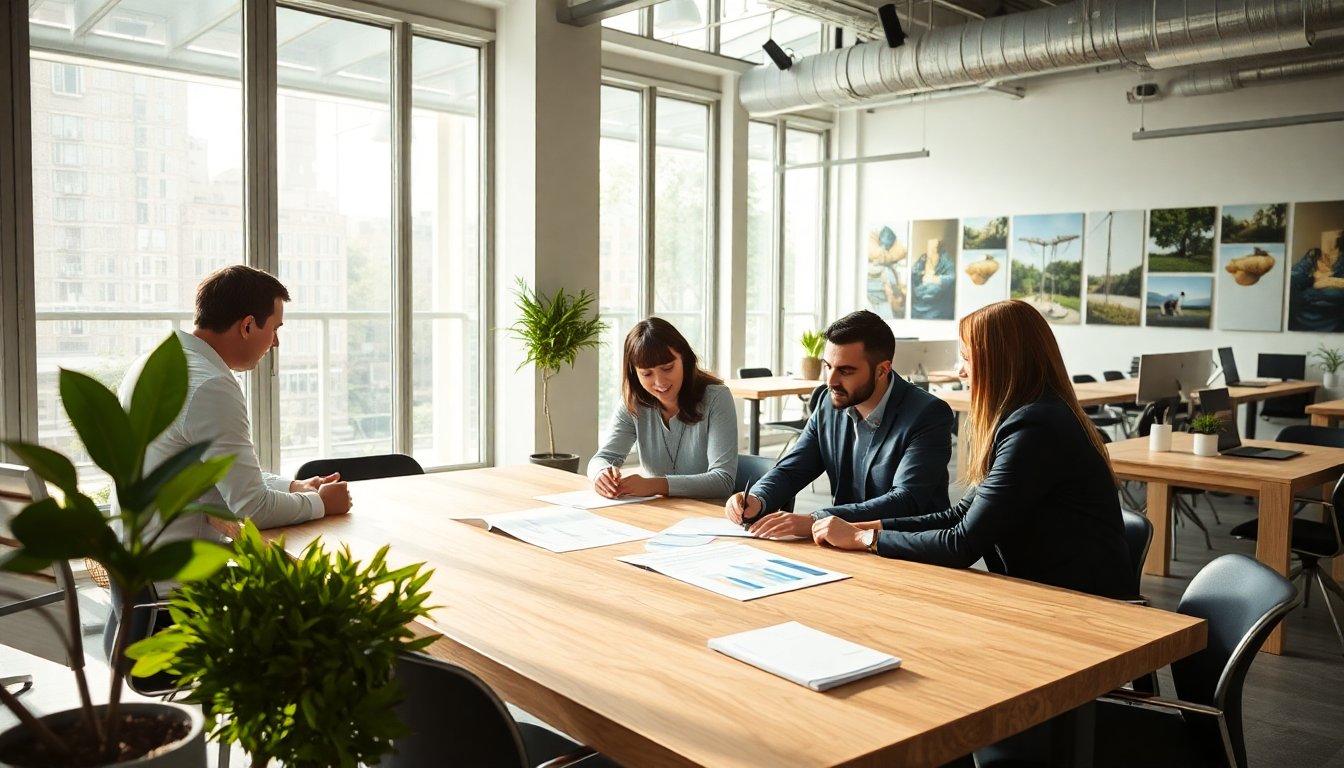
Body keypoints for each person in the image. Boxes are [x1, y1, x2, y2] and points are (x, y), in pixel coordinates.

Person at [811, 299, 1131, 599]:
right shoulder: (1028, 417)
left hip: (1082, 606)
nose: (959, 369)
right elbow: (957, 515)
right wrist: (863, 528)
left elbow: (961, 543)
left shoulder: (1035, 429)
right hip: (1046, 593)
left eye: (965, 357)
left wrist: (862, 539)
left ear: (1000, 360)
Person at [118, 265, 352, 544]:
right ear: (248, 326)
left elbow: (225, 476)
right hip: (179, 581)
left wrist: (292, 487)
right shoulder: (210, 387)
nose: (275, 343)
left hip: (137, 569)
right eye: (275, 329)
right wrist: (322, 504)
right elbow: (253, 509)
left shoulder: (154, 363)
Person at [724, 310, 953, 539]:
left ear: (882, 370)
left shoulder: (928, 414)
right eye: (828, 366)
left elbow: (905, 501)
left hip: (908, 549)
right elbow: (792, 470)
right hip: (844, 545)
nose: (831, 381)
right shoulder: (828, 402)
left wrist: (815, 520)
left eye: (845, 371)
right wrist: (757, 498)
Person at [588, 318, 736, 499]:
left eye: (667, 368)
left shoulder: (717, 398)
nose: (660, 382)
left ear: (684, 359)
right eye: (647, 373)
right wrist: (601, 474)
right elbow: (601, 458)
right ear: (635, 373)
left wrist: (654, 485)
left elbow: (723, 481)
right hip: (658, 513)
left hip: (706, 515)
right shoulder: (633, 404)